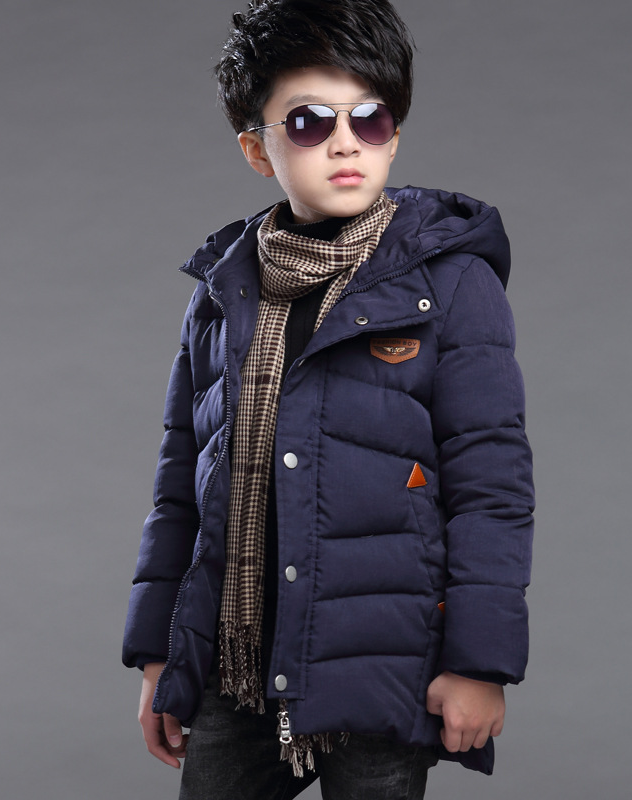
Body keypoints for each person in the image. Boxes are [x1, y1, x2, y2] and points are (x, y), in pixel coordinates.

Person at [122, 1, 534, 797]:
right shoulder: (223, 294)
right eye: (310, 122)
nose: (346, 143)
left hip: (384, 664)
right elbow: (181, 489)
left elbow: (492, 487)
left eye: (369, 118)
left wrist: (480, 664)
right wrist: (157, 656)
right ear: (257, 148)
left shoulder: (452, 285)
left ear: (393, 135)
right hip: (236, 668)